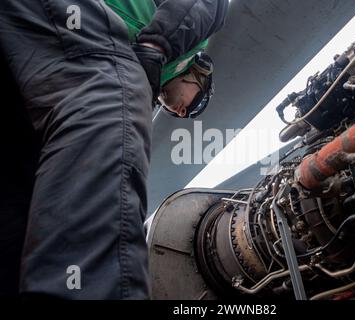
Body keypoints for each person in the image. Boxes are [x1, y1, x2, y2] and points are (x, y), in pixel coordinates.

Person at [0, 0, 228, 299]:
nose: (183, 113)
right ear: (199, 71)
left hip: (31, 46)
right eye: (196, 104)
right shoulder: (186, 40)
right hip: (64, 20)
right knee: (116, 104)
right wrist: (156, 47)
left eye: (181, 114)